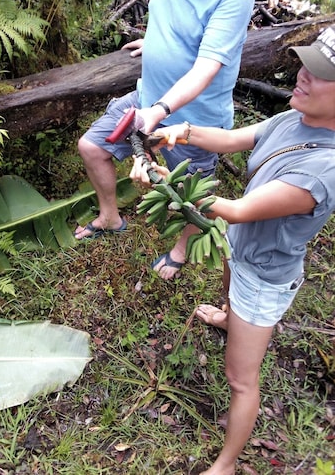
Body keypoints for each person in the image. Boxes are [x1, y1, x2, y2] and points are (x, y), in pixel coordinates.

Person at [130, 25, 335, 475]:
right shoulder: (292, 119)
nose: (302, 75)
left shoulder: (324, 170)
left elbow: (237, 210)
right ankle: (227, 315)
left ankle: (224, 465)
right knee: (229, 275)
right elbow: (235, 139)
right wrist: (179, 133)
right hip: (239, 250)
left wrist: (168, 184)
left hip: (264, 277)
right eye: (306, 63)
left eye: (320, 74)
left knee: (241, 380)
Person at [75, 0, 256, 273]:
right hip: (147, 96)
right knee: (91, 147)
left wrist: (158, 112)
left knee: (191, 195)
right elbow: (170, 7)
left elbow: (206, 68)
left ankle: (182, 248)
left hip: (195, 121)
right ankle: (110, 216)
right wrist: (159, 42)